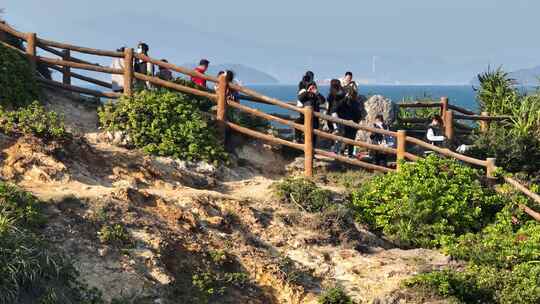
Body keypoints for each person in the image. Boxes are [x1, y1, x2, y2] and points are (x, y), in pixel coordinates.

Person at [331, 87, 362, 157]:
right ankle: (346, 153)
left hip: (350, 123)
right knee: (348, 139)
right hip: (348, 123)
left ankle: (345, 153)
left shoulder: (353, 102)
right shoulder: (349, 102)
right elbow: (337, 108)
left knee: (347, 139)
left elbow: (359, 114)